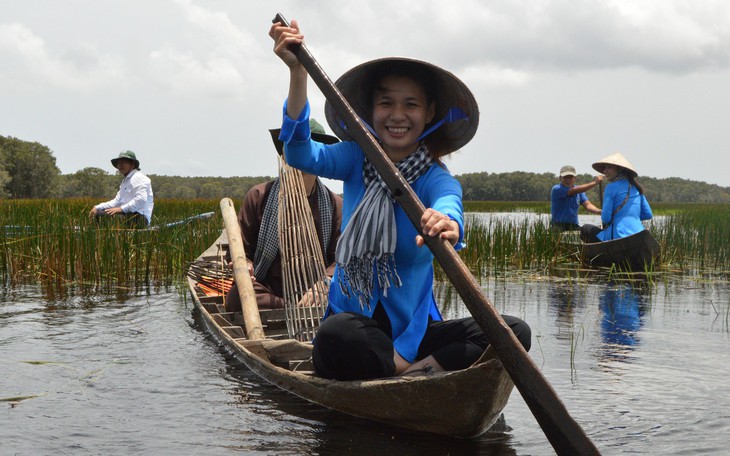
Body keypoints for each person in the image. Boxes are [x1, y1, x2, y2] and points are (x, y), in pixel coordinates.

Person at [270, 19, 531, 381]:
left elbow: (448, 205)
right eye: (386, 103)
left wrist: (446, 223)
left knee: (514, 333)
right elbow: (298, 153)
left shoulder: (435, 178)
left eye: (411, 105)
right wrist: (298, 73)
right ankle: (409, 374)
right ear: (370, 110)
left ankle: (412, 371)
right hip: (353, 330)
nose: (397, 115)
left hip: (413, 335)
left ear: (429, 113)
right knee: (337, 334)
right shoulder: (354, 158)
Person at [224, 121, 343, 313]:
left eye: (307, 151)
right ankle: (292, 310)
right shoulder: (259, 196)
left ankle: (303, 308)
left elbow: (341, 260)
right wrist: (243, 264)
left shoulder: (335, 205)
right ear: (283, 155)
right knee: (238, 297)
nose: (299, 159)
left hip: (316, 293)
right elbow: (240, 251)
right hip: (270, 293)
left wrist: (325, 283)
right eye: (293, 150)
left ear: (320, 159)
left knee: (347, 293)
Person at [580, 152, 653, 243]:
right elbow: (648, 214)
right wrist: (630, 219)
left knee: (585, 229)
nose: (604, 171)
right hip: (639, 234)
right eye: (605, 168)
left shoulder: (611, 187)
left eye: (608, 167)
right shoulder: (636, 187)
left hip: (618, 236)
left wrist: (619, 219)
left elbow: (606, 218)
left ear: (620, 169)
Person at [89, 150, 154, 228]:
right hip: (128, 215)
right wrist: (97, 207)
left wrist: (121, 209)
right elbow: (116, 201)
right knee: (99, 213)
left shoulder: (138, 177)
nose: (120, 165)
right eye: (119, 163)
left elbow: (140, 199)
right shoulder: (126, 181)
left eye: (123, 163)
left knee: (101, 215)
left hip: (140, 218)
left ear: (132, 164)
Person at [550, 165, 602, 231]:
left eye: (570, 177)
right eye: (565, 177)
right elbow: (573, 191)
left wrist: (600, 211)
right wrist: (595, 183)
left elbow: (588, 205)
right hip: (558, 226)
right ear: (560, 178)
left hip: (573, 226)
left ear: (575, 178)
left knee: (588, 230)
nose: (568, 180)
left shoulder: (580, 191)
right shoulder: (557, 189)